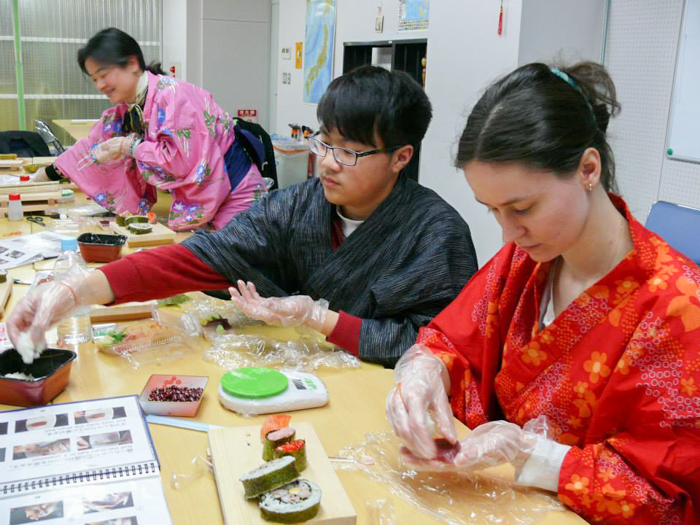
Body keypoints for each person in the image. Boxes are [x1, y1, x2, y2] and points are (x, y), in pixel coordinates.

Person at [386, 62, 700, 524]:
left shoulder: (678, 306)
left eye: (523, 207)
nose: (509, 232)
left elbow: (664, 496)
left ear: (587, 168)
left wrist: (531, 452)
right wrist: (425, 372)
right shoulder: (526, 259)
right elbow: (451, 339)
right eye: (492, 210)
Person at [8, 65, 478, 367]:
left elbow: (439, 347)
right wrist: (82, 287)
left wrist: (321, 319)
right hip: (300, 380)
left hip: (387, 404)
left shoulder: (437, 233)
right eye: (325, 143)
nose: (329, 162)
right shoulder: (299, 204)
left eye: (350, 152)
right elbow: (203, 256)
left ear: (401, 157)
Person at [33, 28, 266, 231]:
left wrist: (130, 146)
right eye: (94, 79)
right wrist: (49, 174)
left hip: (236, 197)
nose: (100, 85)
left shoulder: (174, 97)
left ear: (133, 64)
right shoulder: (129, 108)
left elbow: (183, 161)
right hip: (211, 198)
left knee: (227, 273)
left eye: (104, 75)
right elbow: (92, 145)